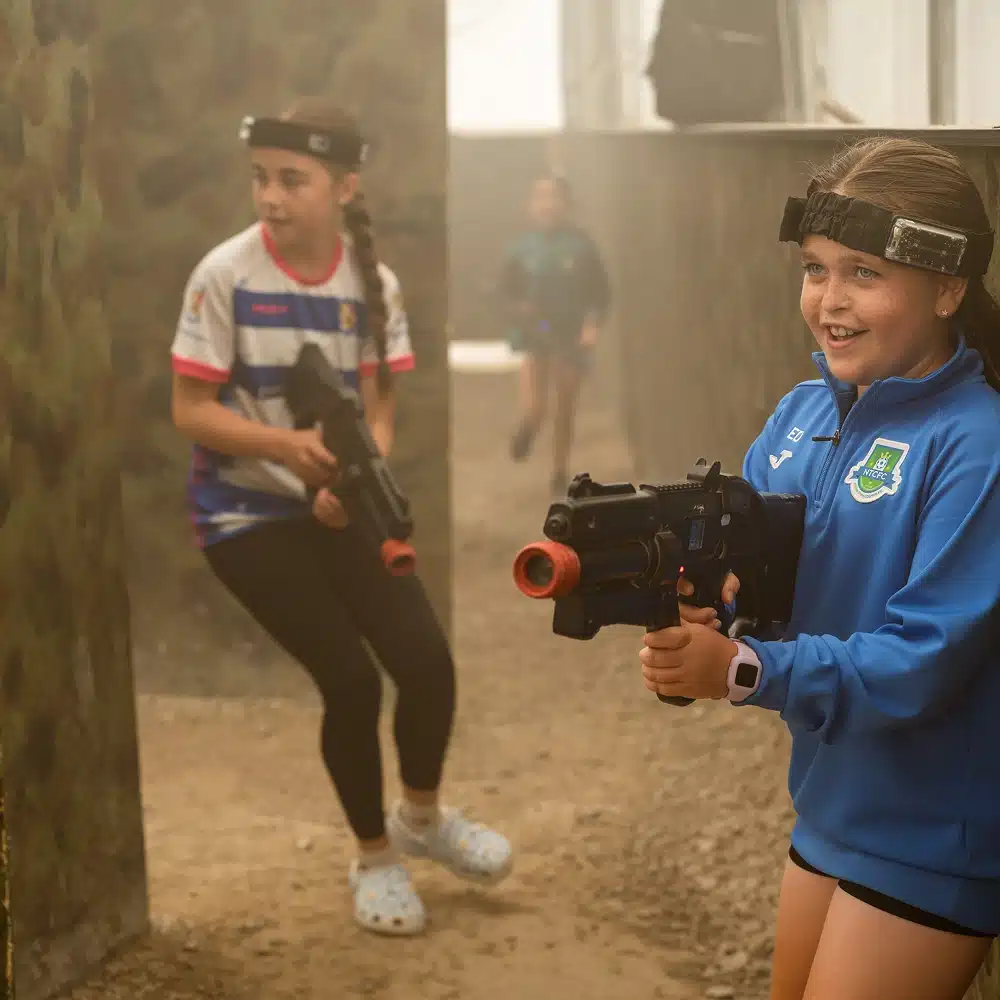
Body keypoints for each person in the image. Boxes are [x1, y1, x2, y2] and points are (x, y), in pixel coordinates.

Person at [638, 136, 1000, 1000]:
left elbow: (922, 662)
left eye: (864, 274)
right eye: (814, 269)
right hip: (831, 807)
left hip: (933, 835)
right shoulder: (801, 414)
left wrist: (744, 670)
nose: (828, 301)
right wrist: (708, 623)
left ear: (948, 287)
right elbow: (757, 588)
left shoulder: (977, 443)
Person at [169, 97, 513, 936]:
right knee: (352, 684)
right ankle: (374, 856)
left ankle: (422, 822)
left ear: (345, 186)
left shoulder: (374, 284)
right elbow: (191, 410)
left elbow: (377, 408)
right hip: (244, 516)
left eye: (293, 180)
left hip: (334, 507)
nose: (271, 197)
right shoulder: (224, 275)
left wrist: (356, 477)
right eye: (261, 179)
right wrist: (287, 452)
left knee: (427, 663)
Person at [498, 173, 611, 495]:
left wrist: (591, 326)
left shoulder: (582, 246)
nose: (547, 204)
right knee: (536, 406)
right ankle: (527, 428)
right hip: (536, 334)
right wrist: (519, 309)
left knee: (565, 406)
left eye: (554, 196)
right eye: (540, 196)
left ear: (567, 204)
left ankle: (559, 470)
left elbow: (600, 293)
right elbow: (503, 290)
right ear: (530, 205)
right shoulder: (521, 248)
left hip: (571, 336)